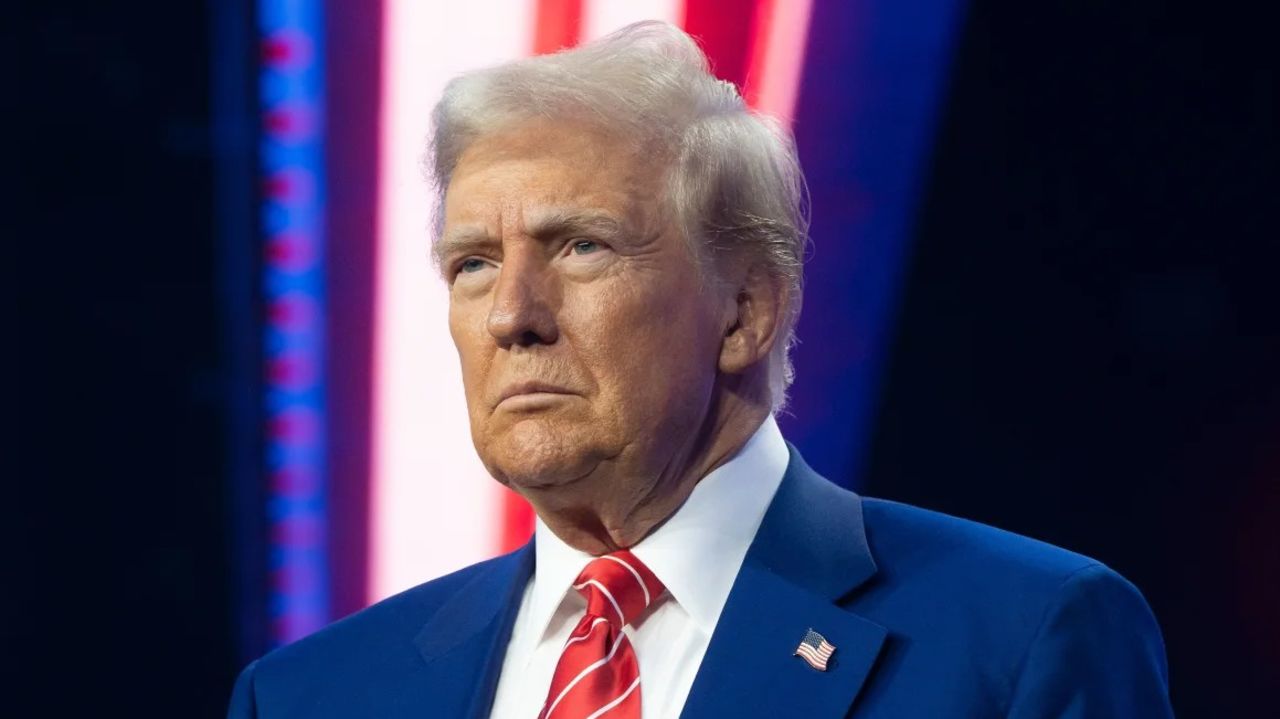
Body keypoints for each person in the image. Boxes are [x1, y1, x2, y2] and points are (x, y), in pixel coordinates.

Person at [228, 21, 1173, 719]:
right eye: (472, 263)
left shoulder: (1021, 638)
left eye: (582, 246)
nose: (512, 314)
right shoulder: (313, 694)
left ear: (745, 310)